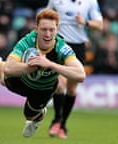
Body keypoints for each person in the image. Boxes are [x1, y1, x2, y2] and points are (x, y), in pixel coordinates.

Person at [0, 9, 85, 138]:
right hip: (22, 79)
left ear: (57, 29)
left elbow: (81, 75)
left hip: (44, 88)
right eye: (44, 29)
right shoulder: (28, 41)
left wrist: (50, 65)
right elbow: (10, 68)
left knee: (29, 115)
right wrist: (32, 67)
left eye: (51, 30)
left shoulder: (62, 48)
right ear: (36, 29)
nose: (48, 34)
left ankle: (38, 117)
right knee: (3, 77)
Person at [46, 0, 103, 139]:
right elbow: (46, 18)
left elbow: (100, 25)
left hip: (78, 48)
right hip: (59, 44)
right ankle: (57, 119)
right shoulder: (55, 1)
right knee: (59, 86)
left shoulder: (90, 2)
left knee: (71, 89)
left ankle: (63, 125)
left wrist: (86, 22)